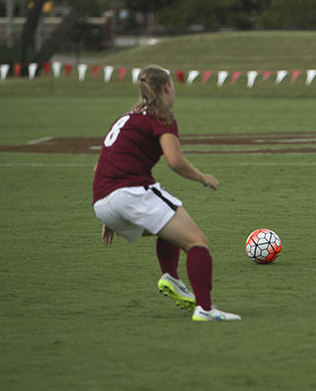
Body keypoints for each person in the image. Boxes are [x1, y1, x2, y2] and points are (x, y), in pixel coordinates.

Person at [92, 65, 240, 322]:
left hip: (102, 201)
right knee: (197, 242)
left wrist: (110, 213)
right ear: (168, 88)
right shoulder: (162, 117)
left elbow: (100, 165)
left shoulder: (128, 116)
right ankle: (205, 309)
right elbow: (174, 161)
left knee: (168, 224)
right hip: (131, 192)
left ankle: (171, 278)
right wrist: (202, 177)